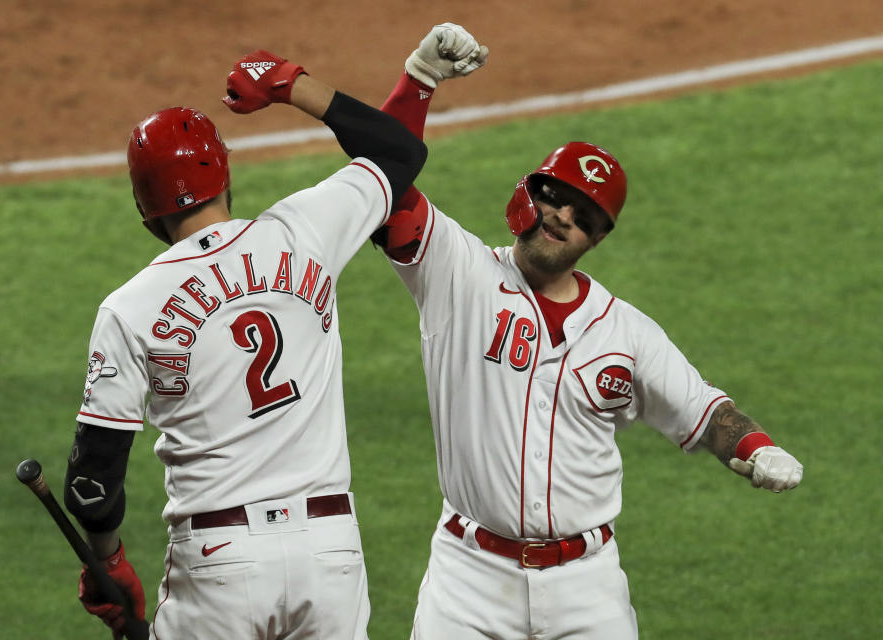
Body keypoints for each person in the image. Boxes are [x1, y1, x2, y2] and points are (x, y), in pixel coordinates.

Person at [373, 24, 804, 640]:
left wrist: (755, 446)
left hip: (587, 588)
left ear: (596, 238)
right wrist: (418, 81)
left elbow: (703, 411)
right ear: (530, 193)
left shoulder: (626, 331)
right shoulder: (457, 274)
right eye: (555, 195)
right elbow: (384, 186)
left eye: (584, 214)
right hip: (468, 580)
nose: (562, 215)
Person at [62, 48, 429, 639]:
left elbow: (94, 482)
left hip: (218, 565)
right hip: (329, 554)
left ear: (144, 208)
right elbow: (400, 151)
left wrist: (108, 564)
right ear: (224, 174)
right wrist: (293, 86)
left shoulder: (129, 308)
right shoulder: (303, 231)